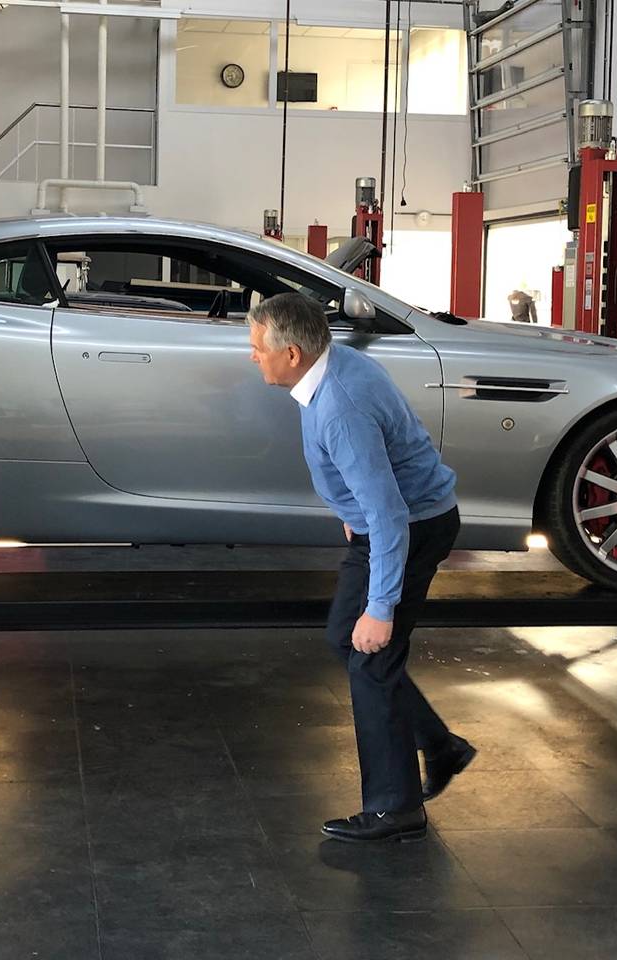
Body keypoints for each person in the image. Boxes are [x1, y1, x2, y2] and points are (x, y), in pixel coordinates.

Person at [247, 292, 475, 844]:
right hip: (389, 522)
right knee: (344, 640)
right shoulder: (333, 366)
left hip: (408, 530)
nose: (252, 356)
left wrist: (380, 608)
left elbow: (391, 514)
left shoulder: (340, 404)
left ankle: (396, 809)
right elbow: (378, 476)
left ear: (293, 353)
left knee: (370, 654)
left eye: (257, 348)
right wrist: (354, 510)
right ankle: (439, 744)